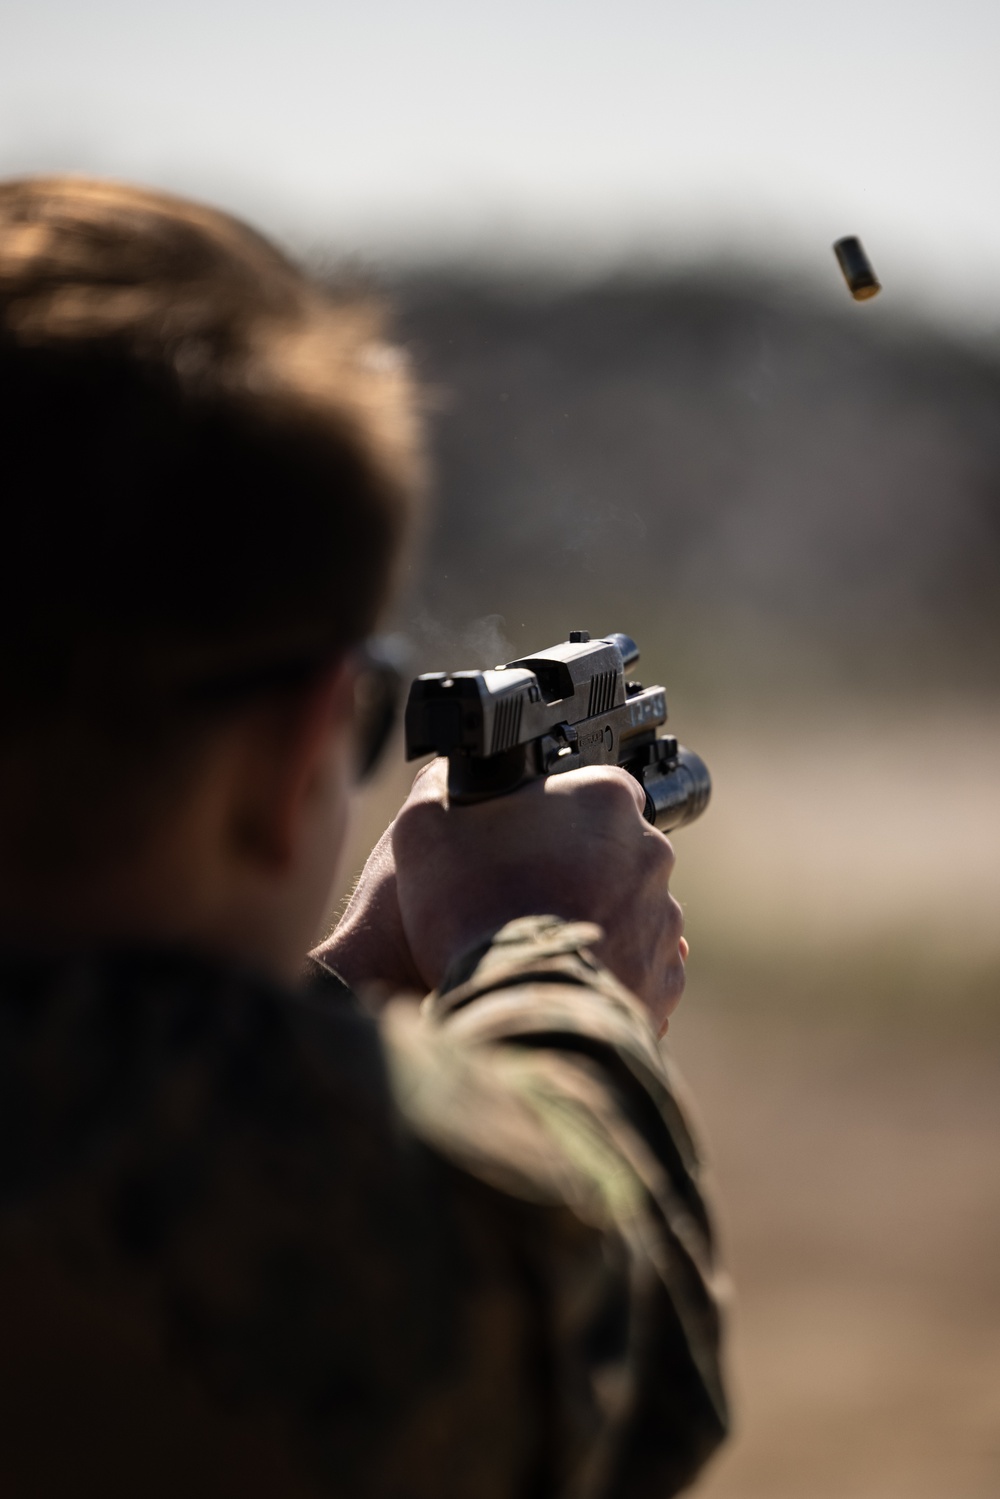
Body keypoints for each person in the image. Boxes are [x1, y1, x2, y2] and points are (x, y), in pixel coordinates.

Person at [0, 176, 728, 1497]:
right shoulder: (291, 1207)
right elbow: (572, 1323)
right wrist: (553, 960)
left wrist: (334, 996)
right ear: (293, 759)